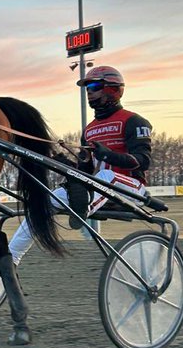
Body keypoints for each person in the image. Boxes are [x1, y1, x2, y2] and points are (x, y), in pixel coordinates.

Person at [8, 65, 152, 265]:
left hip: (131, 189)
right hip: (97, 190)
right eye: (87, 88)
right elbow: (84, 171)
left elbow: (143, 160)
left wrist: (109, 156)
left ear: (112, 88)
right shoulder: (90, 130)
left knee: (106, 178)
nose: (89, 92)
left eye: (94, 86)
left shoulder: (134, 121)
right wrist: (65, 164)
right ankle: (10, 257)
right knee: (44, 200)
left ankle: (81, 208)